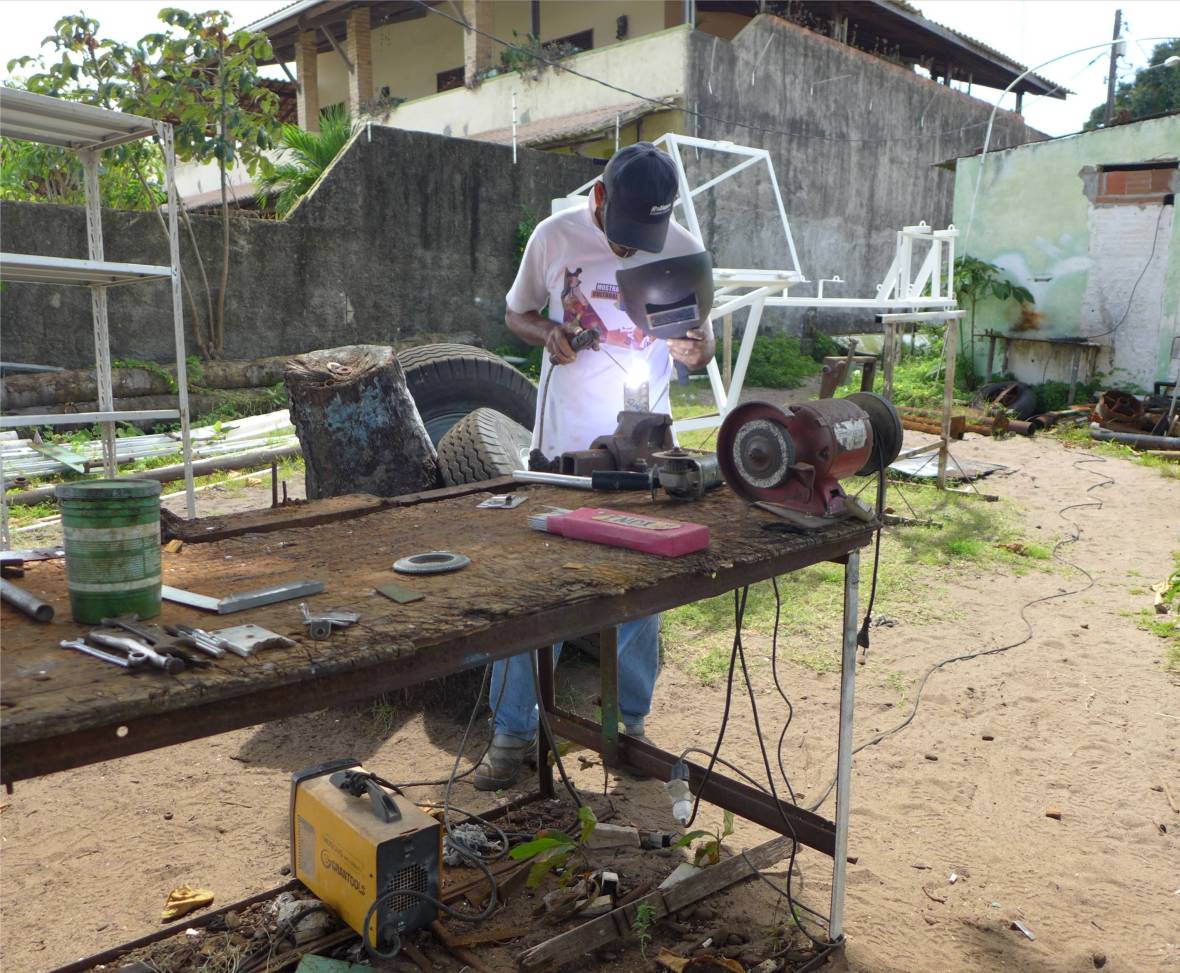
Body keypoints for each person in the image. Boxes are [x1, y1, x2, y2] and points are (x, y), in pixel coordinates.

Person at [474, 142, 715, 790]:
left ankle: (628, 728)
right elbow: (516, 313)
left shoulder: (682, 248)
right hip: (563, 453)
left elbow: (702, 343)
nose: (631, 250)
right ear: (600, 199)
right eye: (623, 234)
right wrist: (546, 333)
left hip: (645, 453)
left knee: (642, 596)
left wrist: (696, 348)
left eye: (645, 238)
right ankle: (512, 733)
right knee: (540, 592)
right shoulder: (555, 238)